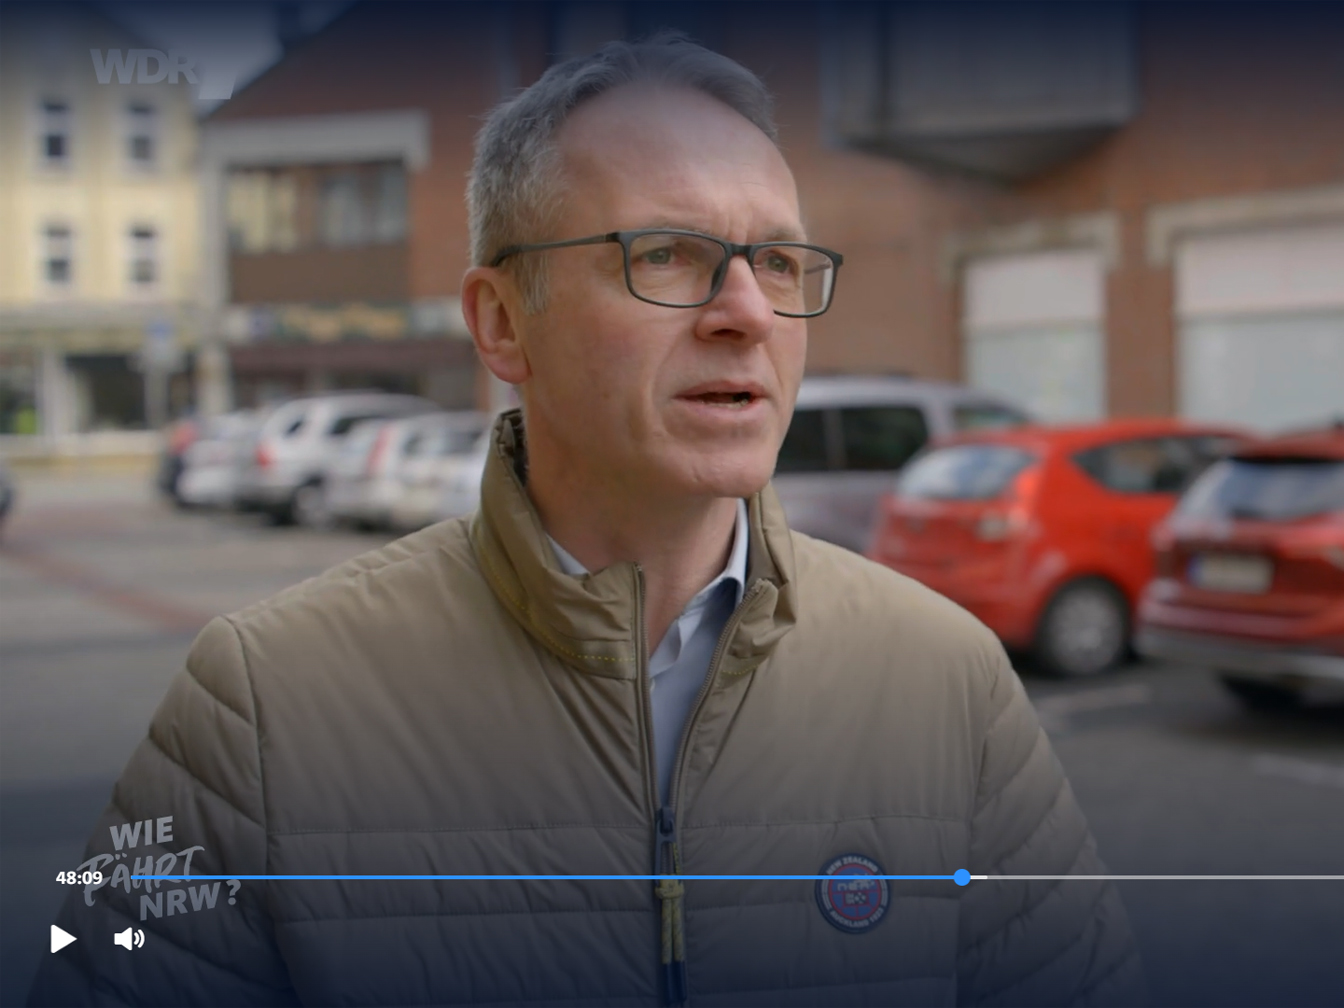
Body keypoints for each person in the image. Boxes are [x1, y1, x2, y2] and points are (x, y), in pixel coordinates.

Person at [32, 35, 1145, 1007]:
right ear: (503, 321)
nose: (749, 313)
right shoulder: (262, 703)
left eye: (780, 261)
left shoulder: (947, 678)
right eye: (666, 254)